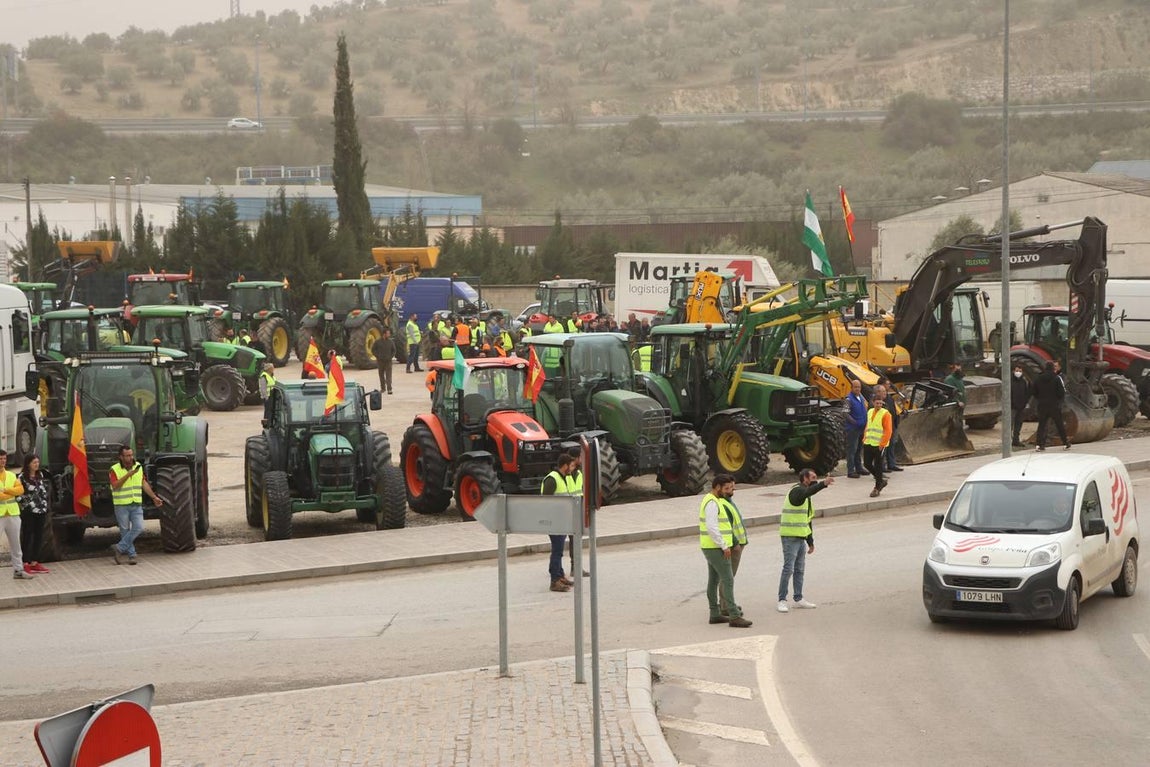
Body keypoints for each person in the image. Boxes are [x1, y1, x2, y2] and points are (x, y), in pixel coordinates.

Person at [699, 474, 752, 628]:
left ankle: (715, 614)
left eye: (731, 487)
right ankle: (734, 615)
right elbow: (712, 527)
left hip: (711, 546)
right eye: (727, 488)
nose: (729, 491)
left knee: (714, 580)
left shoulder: (713, 500)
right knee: (727, 579)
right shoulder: (712, 503)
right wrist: (723, 545)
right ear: (717, 487)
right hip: (715, 547)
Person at [778, 468, 833, 612]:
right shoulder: (797, 491)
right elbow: (807, 491)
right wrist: (823, 484)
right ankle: (782, 600)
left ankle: (798, 598)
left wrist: (810, 542)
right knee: (788, 569)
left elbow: (807, 520)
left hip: (800, 537)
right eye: (813, 477)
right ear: (805, 479)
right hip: (790, 537)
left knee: (799, 569)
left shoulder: (806, 496)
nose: (815, 479)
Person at [110, 445, 163, 565]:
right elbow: (115, 485)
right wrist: (129, 474)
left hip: (136, 503)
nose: (130, 457)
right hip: (121, 504)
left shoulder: (138, 467)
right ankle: (132, 555)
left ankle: (119, 547)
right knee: (125, 530)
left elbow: (143, 483)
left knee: (138, 527)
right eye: (127, 455)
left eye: (131, 455)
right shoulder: (114, 469)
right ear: (121, 457)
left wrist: (154, 497)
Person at [542, 454, 578, 593]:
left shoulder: (564, 478)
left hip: (561, 521)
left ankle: (560, 575)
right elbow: (546, 502)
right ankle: (554, 581)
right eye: (571, 465)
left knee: (559, 550)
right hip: (554, 522)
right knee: (557, 551)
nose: (572, 468)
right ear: (565, 465)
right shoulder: (552, 479)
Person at [0, 450, 31, 580]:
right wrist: (11, 492)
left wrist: (6, 490)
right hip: (1, 515)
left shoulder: (12, 475)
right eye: (1, 459)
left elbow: (20, 490)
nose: (3, 461)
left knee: (16, 544)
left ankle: (18, 570)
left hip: (12, 514)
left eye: (4, 459)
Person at [18, 453, 49, 574]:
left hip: (40, 509)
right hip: (28, 511)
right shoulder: (21, 478)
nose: (37, 465)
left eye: (37, 462)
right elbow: (19, 495)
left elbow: (42, 490)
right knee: (27, 535)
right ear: (28, 464)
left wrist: (44, 504)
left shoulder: (39, 475)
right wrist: (26, 505)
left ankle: (35, 561)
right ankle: (25, 562)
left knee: (39, 535)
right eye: (34, 463)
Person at [862, 386, 893, 497]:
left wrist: (882, 444)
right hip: (869, 442)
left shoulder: (886, 414)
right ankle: (880, 481)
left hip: (879, 444)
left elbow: (888, 430)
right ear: (873, 402)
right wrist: (864, 437)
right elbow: (868, 425)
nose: (879, 405)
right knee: (867, 463)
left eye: (881, 403)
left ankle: (877, 487)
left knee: (878, 465)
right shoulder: (870, 411)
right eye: (877, 403)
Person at [1033, 360, 1070, 450]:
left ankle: (1039, 444)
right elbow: (1061, 392)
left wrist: (1040, 398)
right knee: (1059, 424)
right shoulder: (1057, 378)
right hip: (1054, 405)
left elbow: (1034, 392)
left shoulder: (1038, 378)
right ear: (1053, 368)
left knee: (1042, 425)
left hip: (1042, 405)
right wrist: (1057, 400)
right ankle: (1065, 443)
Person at [878, 377, 903, 472]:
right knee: (884, 446)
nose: (889, 386)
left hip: (891, 424)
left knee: (892, 444)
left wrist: (897, 420)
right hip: (883, 426)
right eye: (887, 384)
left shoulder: (889, 398)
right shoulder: (878, 399)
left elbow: (893, 410)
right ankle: (882, 466)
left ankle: (891, 464)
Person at [845, 379, 866, 478]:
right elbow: (845, 413)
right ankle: (850, 470)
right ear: (851, 388)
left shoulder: (861, 397)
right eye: (856, 387)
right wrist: (854, 422)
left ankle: (859, 468)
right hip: (853, 429)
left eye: (859, 387)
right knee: (852, 450)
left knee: (859, 449)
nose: (858, 389)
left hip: (862, 428)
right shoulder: (848, 399)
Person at [1010, 364, 1032, 447]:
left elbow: (1027, 393)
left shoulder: (1024, 381)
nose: (1018, 372)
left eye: (1020, 371)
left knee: (1018, 424)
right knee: (1010, 424)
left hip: (1021, 407)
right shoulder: (1010, 381)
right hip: (1012, 407)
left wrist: (1025, 403)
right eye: (1016, 371)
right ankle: (1008, 440)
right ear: (1013, 371)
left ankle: (1016, 440)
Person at [371, 328, 397, 394]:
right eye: (388, 333)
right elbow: (373, 350)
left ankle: (389, 389)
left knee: (388, 376)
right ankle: (383, 388)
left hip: (388, 361)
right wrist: (378, 356)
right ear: (384, 334)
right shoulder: (378, 342)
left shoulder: (390, 342)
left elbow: (394, 350)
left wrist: (391, 357)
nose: (389, 334)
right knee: (381, 375)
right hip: (380, 361)